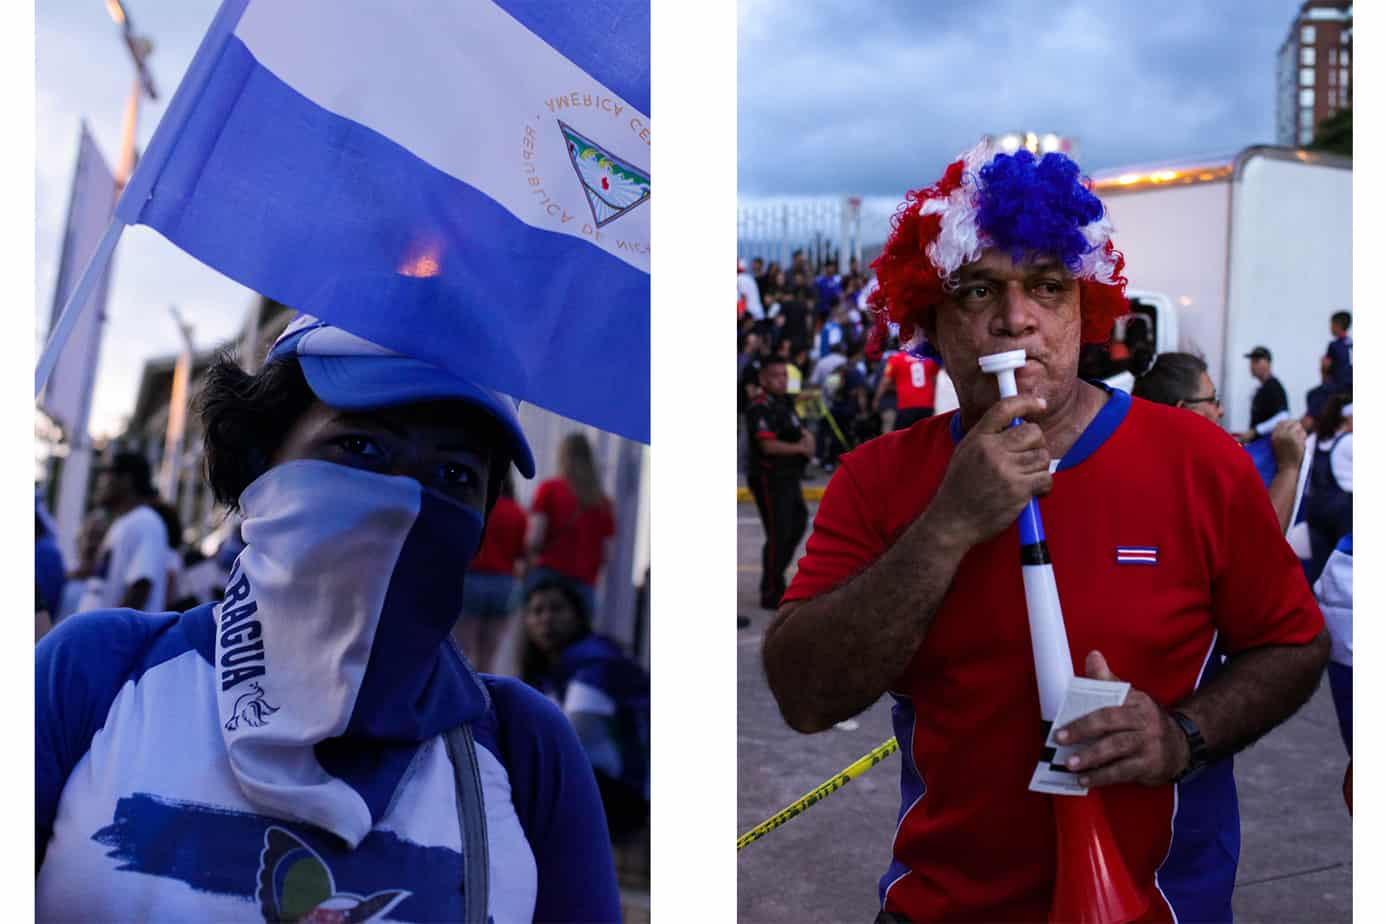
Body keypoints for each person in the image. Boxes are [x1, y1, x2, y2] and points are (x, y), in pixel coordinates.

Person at [762, 140, 1327, 923]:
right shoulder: (875, 477)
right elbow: (803, 694)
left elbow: (1295, 644)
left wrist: (1184, 736)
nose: (1015, 317)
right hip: (940, 908)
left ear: (1084, 311)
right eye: (977, 289)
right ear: (931, 315)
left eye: (1049, 287)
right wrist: (949, 525)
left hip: (1156, 906)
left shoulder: (1199, 459)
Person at [37, 307, 621, 922]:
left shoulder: (527, 753)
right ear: (261, 462)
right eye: (361, 446)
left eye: (454, 474)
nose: (406, 501)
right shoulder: (94, 674)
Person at [520, 576, 649, 842]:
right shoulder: (547, 674)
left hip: (627, 796)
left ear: (578, 616)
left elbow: (570, 740)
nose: (546, 619)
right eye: (537, 611)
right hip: (595, 786)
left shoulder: (597, 666)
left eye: (557, 609)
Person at [1135, 352, 1306, 533]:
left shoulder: (1134, 466)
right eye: (1212, 401)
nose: (1221, 410)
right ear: (1183, 411)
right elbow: (1259, 544)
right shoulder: (1197, 481)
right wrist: (1288, 468)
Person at [745, 355, 813, 610]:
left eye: (784, 375)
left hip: (789, 476)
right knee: (778, 532)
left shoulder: (785, 403)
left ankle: (777, 578)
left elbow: (802, 431)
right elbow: (768, 445)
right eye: (775, 376)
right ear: (763, 379)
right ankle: (771, 590)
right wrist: (799, 448)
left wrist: (807, 441)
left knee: (797, 524)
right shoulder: (760, 407)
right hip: (769, 477)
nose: (782, 381)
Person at [526, 432, 616, 621]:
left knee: (536, 638)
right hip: (584, 584)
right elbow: (607, 554)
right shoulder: (602, 502)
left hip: (547, 579)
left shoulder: (549, 489)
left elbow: (534, 539)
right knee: (577, 643)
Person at [74, 451, 171, 614]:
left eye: (106, 474)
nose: (100, 483)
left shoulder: (146, 521)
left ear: (126, 480)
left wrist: (113, 636)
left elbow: (140, 586)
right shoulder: (123, 522)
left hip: (118, 637)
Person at [456, 468, 527, 673]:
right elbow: (521, 554)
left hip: (472, 580)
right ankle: (485, 699)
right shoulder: (517, 512)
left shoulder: (477, 506)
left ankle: (464, 699)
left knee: (463, 651)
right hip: (503, 585)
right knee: (489, 657)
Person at [1300, 395, 1352, 585]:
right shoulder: (1349, 443)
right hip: (1342, 515)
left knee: (1319, 572)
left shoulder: (1313, 439)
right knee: (1345, 574)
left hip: (1315, 512)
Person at [875, 348, 941, 431]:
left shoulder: (896, 358)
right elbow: (934, 380)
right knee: (925, 436)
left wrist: (876, 399)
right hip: (927, 405)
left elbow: (885, 382)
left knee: (905, 437)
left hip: (907, 405)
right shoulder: (928, 358)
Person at [1238, 346, 1289, 444]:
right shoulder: (1262, 388)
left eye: (1256, 361)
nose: (1252, 366)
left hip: (1267, 446)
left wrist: (1255, 431)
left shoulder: (1274, 387)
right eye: (1251, 362)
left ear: (1268, 363)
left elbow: (1283, 416)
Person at [1323, 311, 1352, 396]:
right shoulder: (1352, 343)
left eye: (1331, 324)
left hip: (1340, 386)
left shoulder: (1334, 345)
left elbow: (1326, 368)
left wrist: (1323, 368)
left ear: (1337, 325)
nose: (1330, 327)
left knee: (1312, 395)